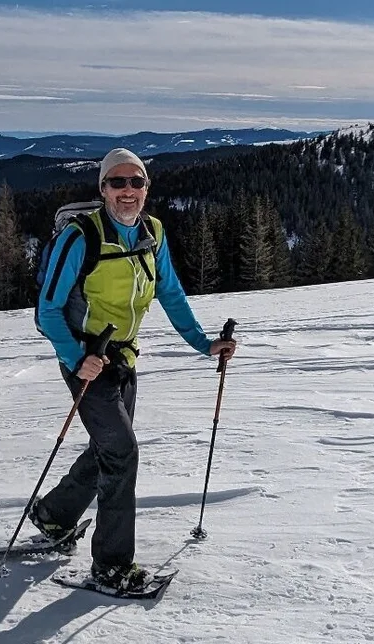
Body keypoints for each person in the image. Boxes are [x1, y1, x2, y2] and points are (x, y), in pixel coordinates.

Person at [27, 147, 237, 591]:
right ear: (102, 189)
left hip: (124, 357)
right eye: (117, 182)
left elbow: (172, 294)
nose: (127, 191)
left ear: (147, 187)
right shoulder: (81, 237)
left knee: (108, 449)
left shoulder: (152, 232)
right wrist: (75, 358)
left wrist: (204, 343)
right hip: (86, 358)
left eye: (136, 182)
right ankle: (111, 566)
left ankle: (53, 517)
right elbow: (47, 310)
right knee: (122, 451)